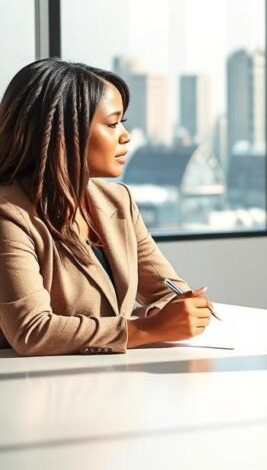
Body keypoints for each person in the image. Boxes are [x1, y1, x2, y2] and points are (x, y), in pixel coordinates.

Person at [0, 59, 213, 356]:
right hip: (36, 388)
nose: (125, 136)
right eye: (112, 124)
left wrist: (178, 313)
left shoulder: (117, 201)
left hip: (114, 381)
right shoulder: (9, 213)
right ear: (65, 133)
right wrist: (147, 329)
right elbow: (31, 330)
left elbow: (167, 289)